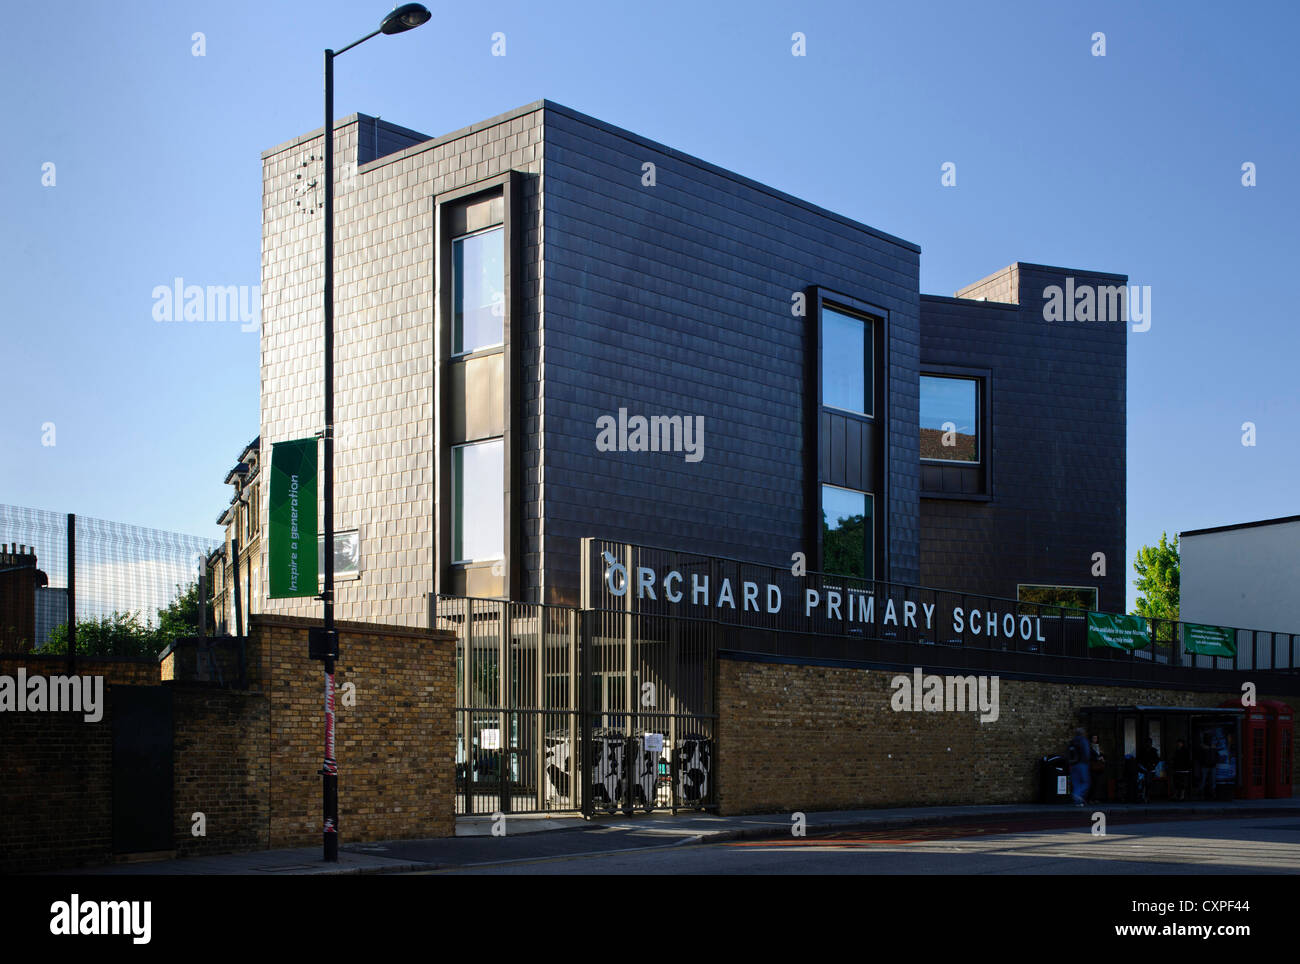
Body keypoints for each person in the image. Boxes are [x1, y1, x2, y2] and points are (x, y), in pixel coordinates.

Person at [1069, 727, 1091, 806]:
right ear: (1083, 733)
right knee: (1085, 782)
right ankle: (1078, 795)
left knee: (1076, 783)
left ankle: (1078, 801)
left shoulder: (1072, 741)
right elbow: (1087, 753)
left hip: (1072, 765)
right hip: (1082, 764)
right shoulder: (1083, 741)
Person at [1198, 732, 1217, 800]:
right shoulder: (1212, 746)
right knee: (1209, 780)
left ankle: (1205, 793)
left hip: (1207, 765)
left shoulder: (1203, 746)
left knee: (1205, 780)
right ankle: (1209, 793)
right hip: (1208, 765)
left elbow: (1200, 756)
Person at [1088, 734, 1107, 802]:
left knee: (1098, 783)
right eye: (1093, 738)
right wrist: (1098, 758)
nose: (1095, 740)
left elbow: (1103, 755)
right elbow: (1089, 756)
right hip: (1092, 767)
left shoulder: (1100, 747)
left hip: (1099, 767)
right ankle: (1091, 798)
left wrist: (1103, 758)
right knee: (1093, 783)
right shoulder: (1089, 747)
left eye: (1096, 738)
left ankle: (1096, 798)